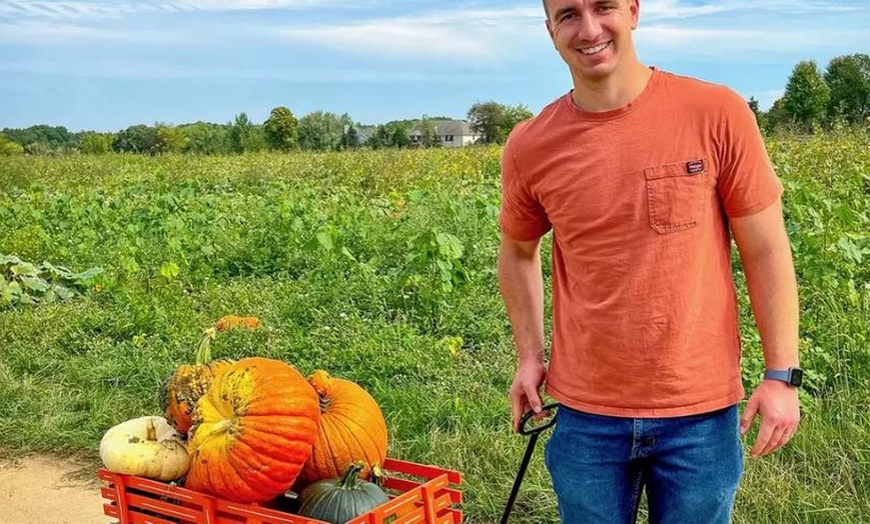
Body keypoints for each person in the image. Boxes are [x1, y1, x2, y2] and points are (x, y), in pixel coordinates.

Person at [497, 1, 801, 522]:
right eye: (568, 14)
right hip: (585, 415)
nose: (589, 28)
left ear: (633, 12)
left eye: (604, 7)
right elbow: (518, 252)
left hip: (699, 413)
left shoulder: (716, 112)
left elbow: (767, 248)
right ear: (550, 29)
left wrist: (781, 375)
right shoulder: (531, 145)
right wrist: (530, 355)